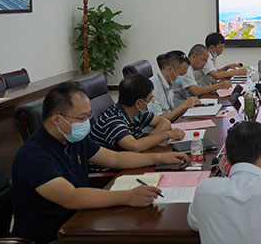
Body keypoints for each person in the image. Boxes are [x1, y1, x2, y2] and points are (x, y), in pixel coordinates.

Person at [11, 82, 190, 244]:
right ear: (57, 119)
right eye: (82, 118)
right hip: (52, 236)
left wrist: (160, 158)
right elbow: (70, 197)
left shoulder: (73, 139)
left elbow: (115, 158)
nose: (87, 123)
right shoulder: (34, 155)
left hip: (81, 219)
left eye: (89, 116)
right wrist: (128, 197)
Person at [90, 73, 184, 152]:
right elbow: (135, 146)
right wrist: (167, 135)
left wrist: (148, 140)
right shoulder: (113, 120)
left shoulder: (137, 112)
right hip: (111, 167)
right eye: (150, 99)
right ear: (139, 103)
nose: (151, 102)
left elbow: (164, 122)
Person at [150, 50, 200, 121]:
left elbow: (171, 110)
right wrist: (184, 105)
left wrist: (188, 105)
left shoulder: (169, 83)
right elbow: (158, 120)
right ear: (169, 69)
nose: (182, 78)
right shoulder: (152, 87)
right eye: (181, 74)